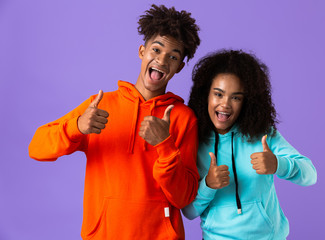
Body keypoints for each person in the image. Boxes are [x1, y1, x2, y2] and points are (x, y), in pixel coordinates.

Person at [29, 4, 201, 240]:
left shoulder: (183, 118)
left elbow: (184, 198)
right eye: (156, 50)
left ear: (179, 67)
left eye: (173, 56)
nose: (162, 60)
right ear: (142, 51)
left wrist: (165, 145)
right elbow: (36, 148)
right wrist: (77, 127)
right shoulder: (100, 106)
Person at [182, 49, 317, 240]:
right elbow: (188, 212)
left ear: (247, 101)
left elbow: (310, 175)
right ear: (205, 95)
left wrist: (278, 164)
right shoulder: (193, 142)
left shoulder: (262, 135)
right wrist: (208, 185)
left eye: (236, 97)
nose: (225, 104)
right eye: (218, 94)